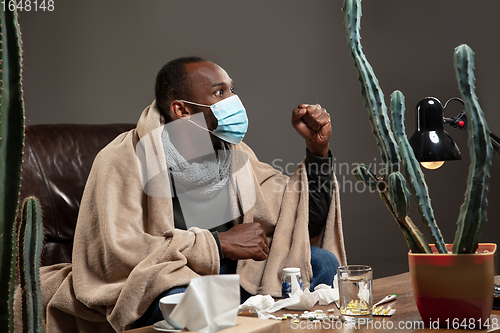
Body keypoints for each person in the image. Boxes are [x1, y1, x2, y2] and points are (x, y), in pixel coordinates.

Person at [36, 56, 347, 332]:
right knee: (186, 303)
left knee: (322, 264)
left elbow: (302, 221)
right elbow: (118, 252)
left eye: (232, 89)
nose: (233, 100)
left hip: (233, 277)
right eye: (219, 92)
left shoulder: (233, 153)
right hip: (170, 280)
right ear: (182, 109)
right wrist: (218, 244)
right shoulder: (122, 159)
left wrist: (317, 150)